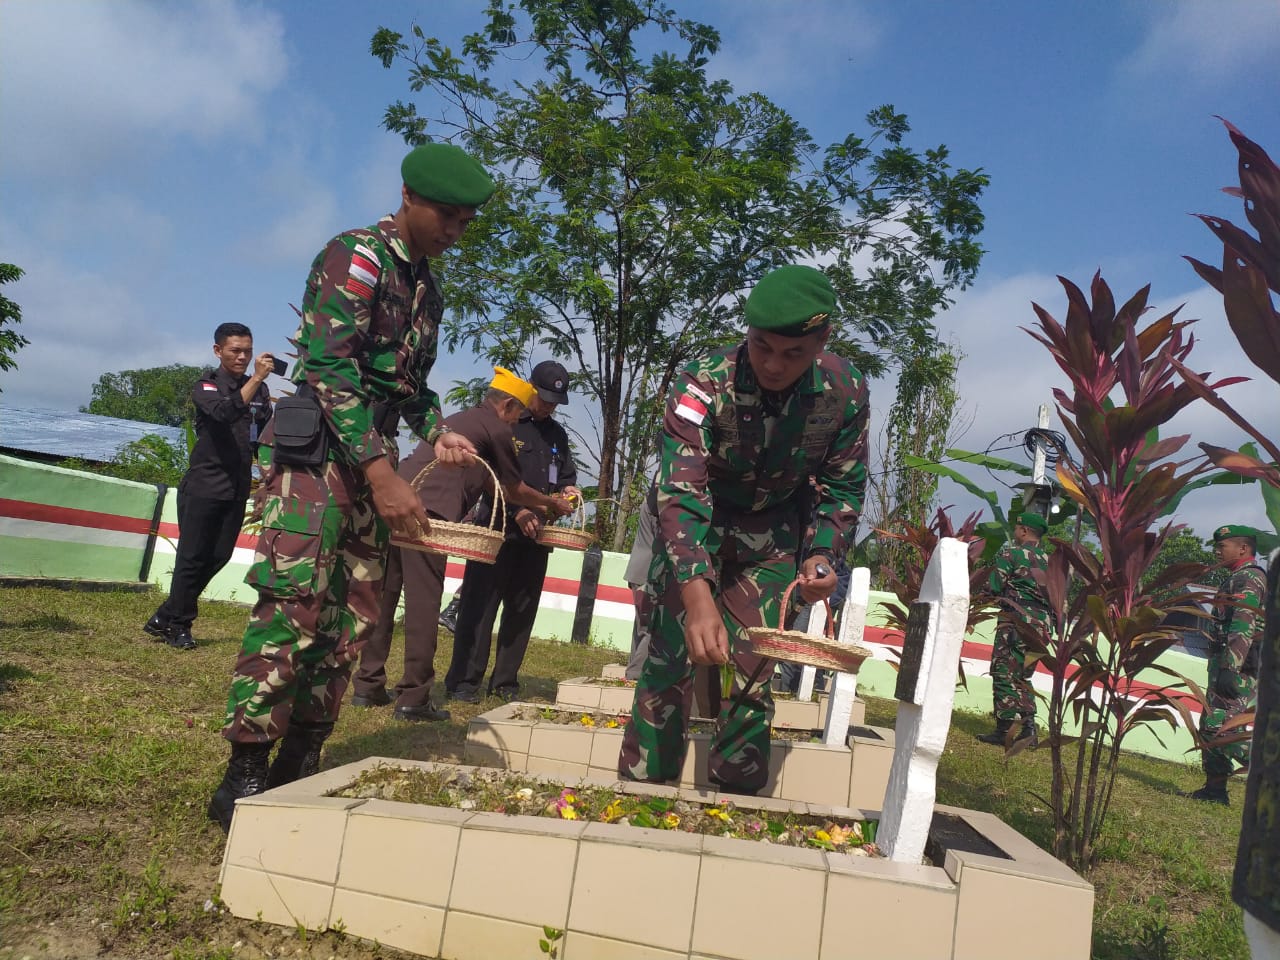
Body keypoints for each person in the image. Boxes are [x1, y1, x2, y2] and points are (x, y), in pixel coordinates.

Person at [207, 142, 495, 832]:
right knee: (294, 608)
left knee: (355, 617)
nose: (455, 232)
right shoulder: (355, 258)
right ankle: (245, 769)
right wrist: (382, 472)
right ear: (408, 197)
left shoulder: (429, 286)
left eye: (465, 222)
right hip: (320, 464)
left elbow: (409, 385)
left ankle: (301, 759)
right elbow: (331, 370)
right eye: (447, 217)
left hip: (372, 462)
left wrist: (439, 427)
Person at [617, 264, 869, 796]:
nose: (774, 364)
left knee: (752, 677)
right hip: (695, 532)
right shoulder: (702, 383)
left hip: (772, 541)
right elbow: (681, 493)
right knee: (667, 667)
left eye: (793, 353)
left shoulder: (845, 391)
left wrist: (822, 555)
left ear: (821, 342)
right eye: (762, 347)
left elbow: (841, 487)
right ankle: (641, 798)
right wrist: (696, 591)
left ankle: (733, 807)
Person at [350, 368, 574, 717]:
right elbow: (511, 488)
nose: (518, 423)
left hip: (396, 501)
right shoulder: (498, 428)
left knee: (386, 594)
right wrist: (549, 503)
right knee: (424, 605)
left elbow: (487, 479)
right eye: (518, 414)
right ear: (509, 406)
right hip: (428, 516)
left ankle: (368, 684)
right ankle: (414, 697)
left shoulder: (464, 420)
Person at [446, 360, 582, 702]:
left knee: (522, 611)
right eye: (546, 397)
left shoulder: (557, 435)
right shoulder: (506, 423)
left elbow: (565, 476)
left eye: (556, 400)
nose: (550, 405)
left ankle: (505, 681)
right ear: (530, 389)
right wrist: (517, 509)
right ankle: (464, 682)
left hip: (537, 538)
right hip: (497, 530)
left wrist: (569, 491)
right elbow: (487, 474)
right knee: (479, 608)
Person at [143, 323, 274, 650]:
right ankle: (179, 625)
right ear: (218, 351)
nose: (243, 357)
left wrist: (265, 482)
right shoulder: (207, 385)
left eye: (248, 350)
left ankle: (166, 614)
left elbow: (263, 437)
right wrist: (257, 378)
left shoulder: (260, 393)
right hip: (204, 484)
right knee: (192, 557)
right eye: (235, 351)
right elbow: (223, 413)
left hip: (237, 486)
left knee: (219, 555)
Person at [1188, 524, 1267, 805]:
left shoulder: (1249, 578)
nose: (1218, 551)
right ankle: (1214, 790)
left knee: (1224, 728)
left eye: (1223, 546)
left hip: (1237, 668)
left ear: (1243, 549)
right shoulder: (1236, 577)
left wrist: (1230, 668)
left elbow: (1242, 624)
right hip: (1224, 663)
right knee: (1210, 724)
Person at [977, 512, 1051, 747]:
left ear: (1024, 531)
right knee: (1024, 675)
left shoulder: (1012, 554)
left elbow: (993, 587)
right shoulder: (1051, 562)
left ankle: (1004, 728)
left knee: (1003, 671)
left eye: (1018, 527)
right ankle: (1029, 729)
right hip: (1042, 625)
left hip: (1016, 620)